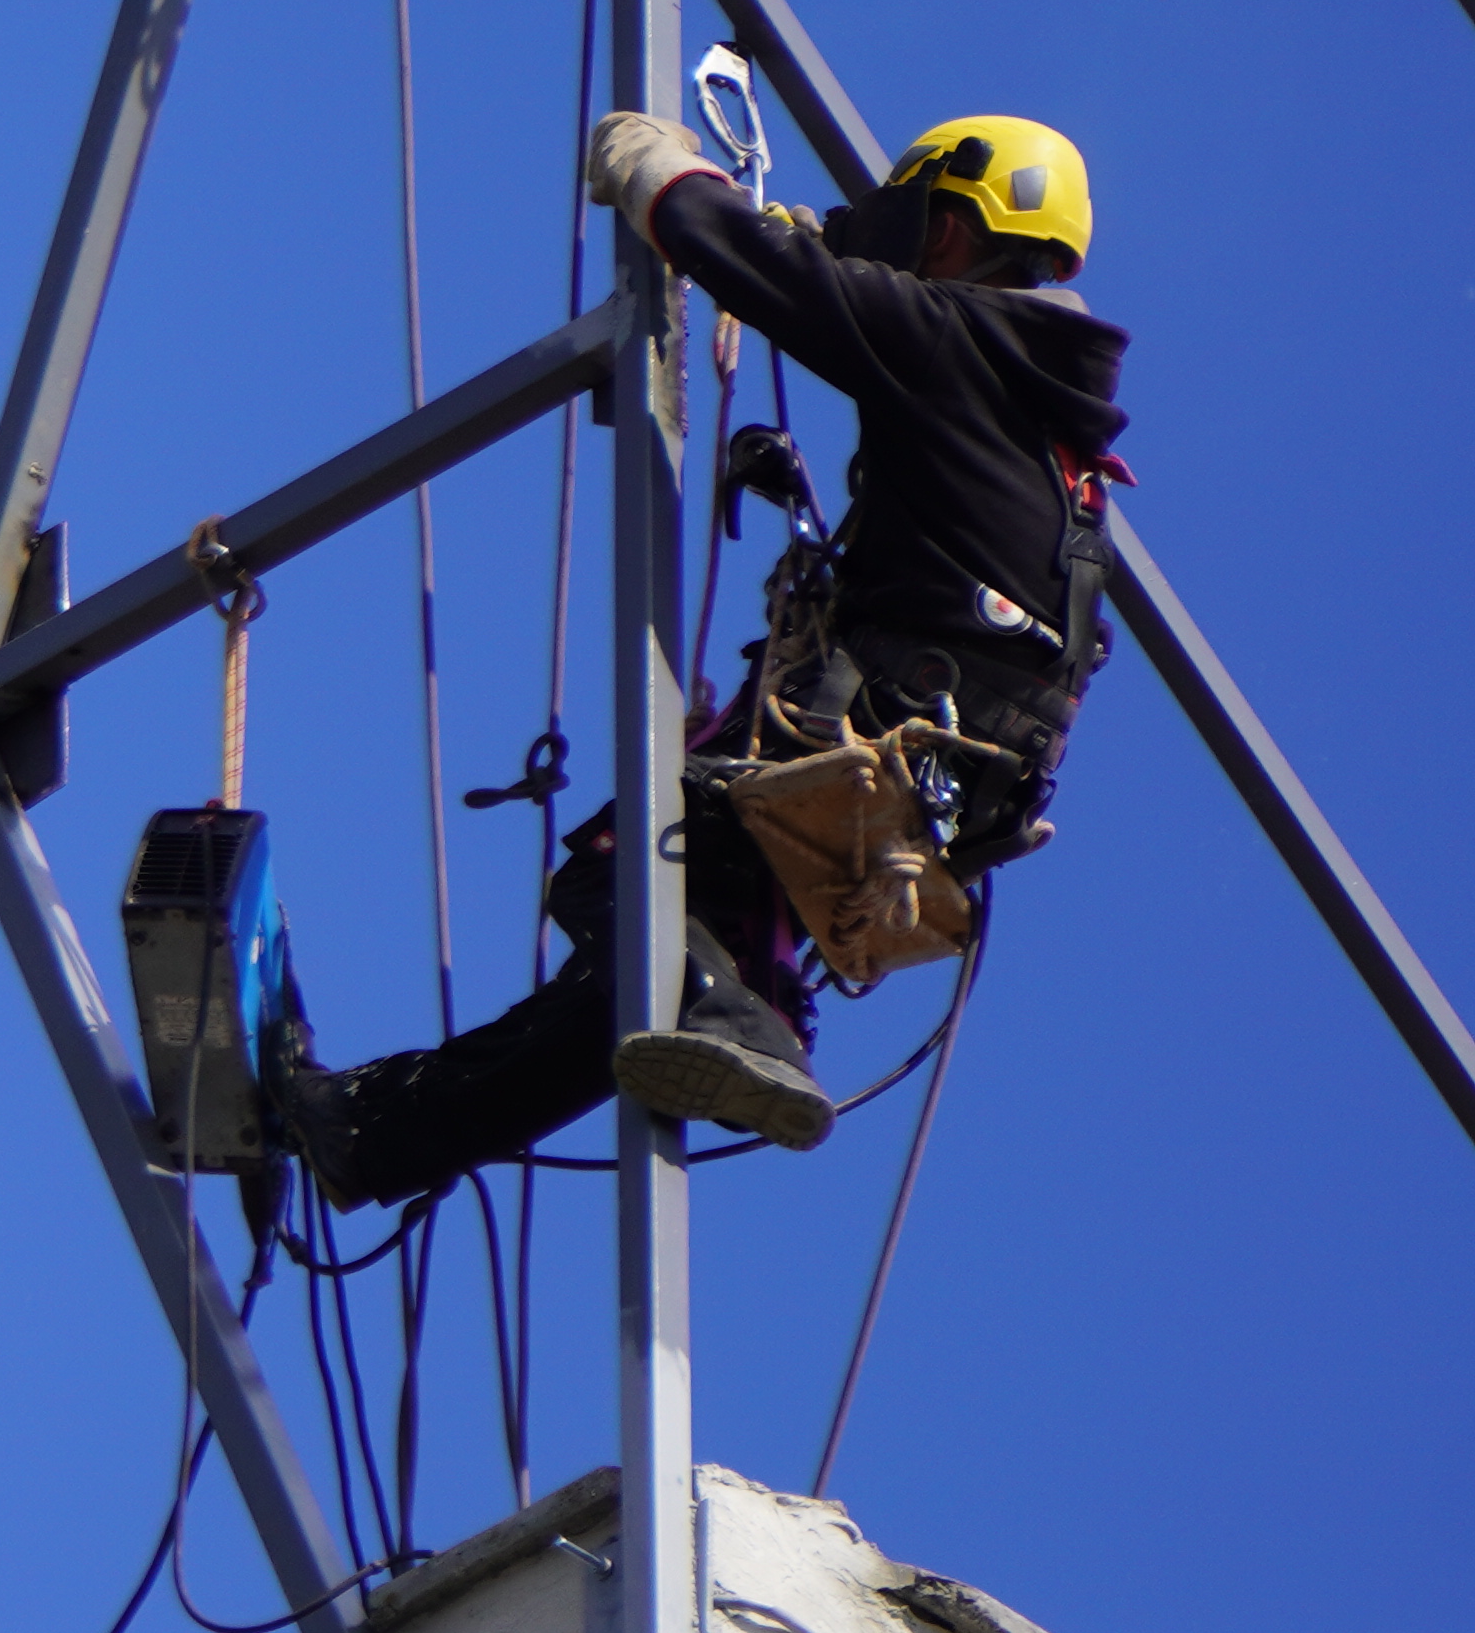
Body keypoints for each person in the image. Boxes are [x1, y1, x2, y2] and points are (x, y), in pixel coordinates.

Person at [282, 107, 1128, 1204]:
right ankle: (376, 1131)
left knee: (625, 868)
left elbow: (783, 279)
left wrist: (664, 180)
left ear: (955, 234)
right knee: (663, 958)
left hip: (888, 731)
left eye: (914, 227)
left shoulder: (959, 339)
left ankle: (738, 1017)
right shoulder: (1048, 424)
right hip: (956, 793)